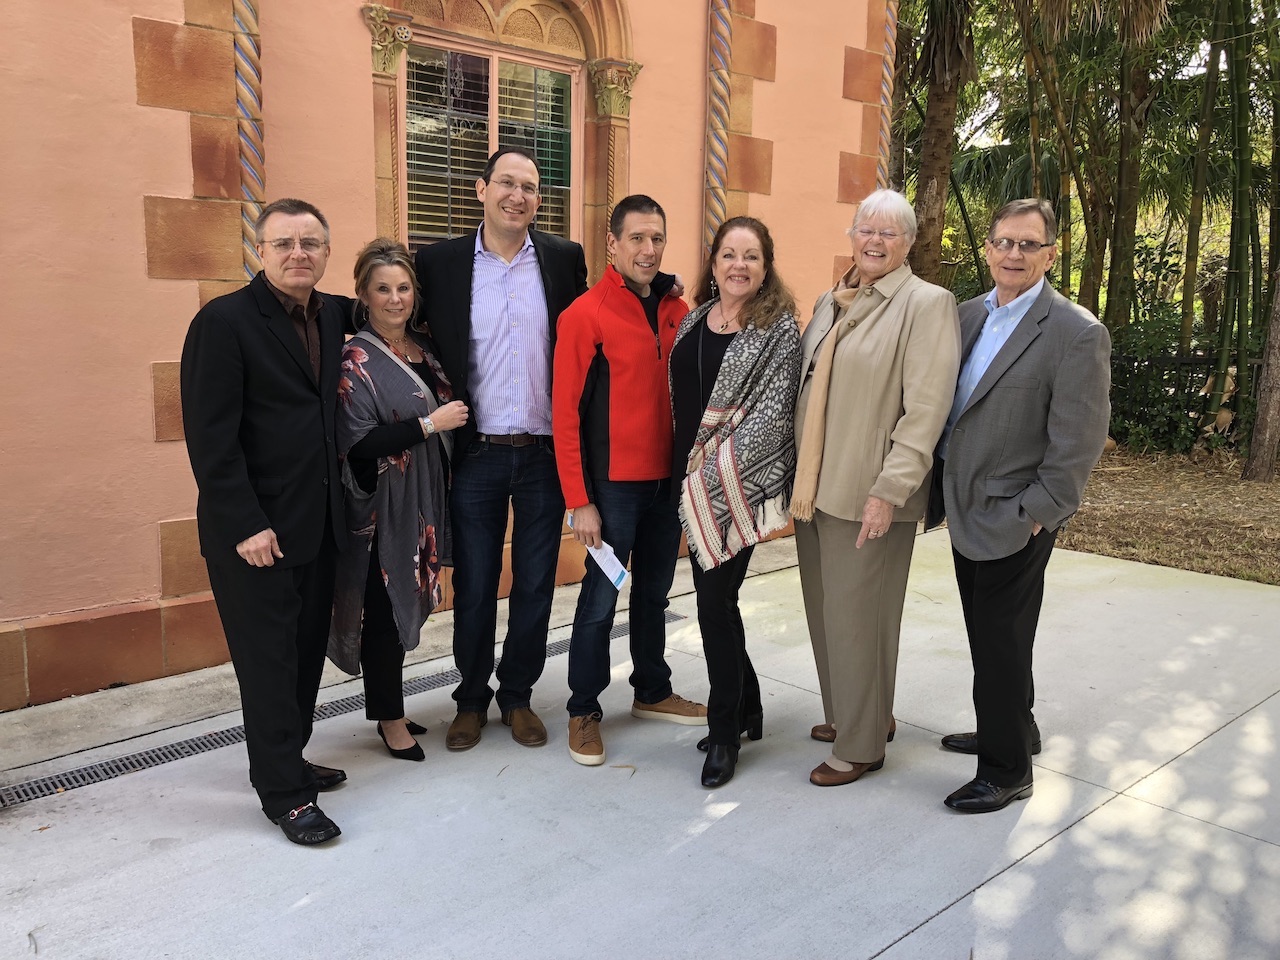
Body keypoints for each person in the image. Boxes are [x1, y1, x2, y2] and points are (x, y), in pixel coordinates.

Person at [926, 198, 1111, 813]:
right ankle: (1015, 729)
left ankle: (1007, 771)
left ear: (1051, 254)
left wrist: (1037, 511)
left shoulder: (1075, 332)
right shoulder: (967, 314)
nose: (1014, 254)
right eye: (1004, 242)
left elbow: (1077, 441)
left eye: (1029, 245)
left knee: (999, 639)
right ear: (988, 247)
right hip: (963, 503)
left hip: (1015, 513)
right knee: (993, 633)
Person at [180, 198, 349, 845]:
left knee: (305, 657)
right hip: (256, 536)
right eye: (284, 243)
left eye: (310, 242)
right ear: (261, 250)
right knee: (268, 663)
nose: (298, 253)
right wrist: (245, 523)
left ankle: (287, 756)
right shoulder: (223, 323)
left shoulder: (333, 315)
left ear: (326, 251)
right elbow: (210, 438)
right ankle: (285, 795)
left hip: (317, 525)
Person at [414, 147, 588, 751]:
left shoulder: (564, 260)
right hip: (477, 452)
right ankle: (470, 699)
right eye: (507, 184)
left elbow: (591, 331)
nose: (519, 196)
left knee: (537, 582)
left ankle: (518, 695)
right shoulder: (440, 262)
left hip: (542, 452)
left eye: (531, 187)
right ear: (481, 188)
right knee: (478, 582)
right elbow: (401, 327)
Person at [789, 190, 961, 787]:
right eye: (867, 229)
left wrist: (890, 490)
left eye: (890, 233)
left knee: (863, 617)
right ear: (852, 233)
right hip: (817, 488)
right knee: (829, 613)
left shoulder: (926, 304)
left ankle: (861, 745)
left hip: (870, 491)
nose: (875, 241)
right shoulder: (831, 301)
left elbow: (927, 408)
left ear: (909, 244)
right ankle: (852, 715)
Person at [552, 195, 706, 766]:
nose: (649, 249)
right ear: (611, 245)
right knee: (598, 599)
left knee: (655, 592)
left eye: (657, 238)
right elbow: (563, 415)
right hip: (612, 489)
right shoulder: (584, 315)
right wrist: (579, 501)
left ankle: (652, 689)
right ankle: (583, 710)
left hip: (669, 485)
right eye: (637, 238)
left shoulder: (678, 309)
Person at [672, 216, 802, 788]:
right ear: (714, 262)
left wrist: (712, 472)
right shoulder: (696, 319)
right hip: (688, 479)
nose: (739, 265)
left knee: (713, 606)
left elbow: (774, 418)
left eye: (751, 256)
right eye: (729, 254)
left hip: (735, 488)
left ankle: (725, 733)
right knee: (718, 606)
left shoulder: (778, 330)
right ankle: (746, 708)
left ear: (766, 265)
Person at [328, 239, 470, 761]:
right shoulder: (356, 357)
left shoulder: (422, 347)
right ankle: (389, 720)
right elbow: (357, 441)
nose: (395, 299)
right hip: (383, 507)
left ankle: (391, 704)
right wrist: (430, 424)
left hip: (424, 498)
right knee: (385, 610)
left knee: (401, 602)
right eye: (382, 289)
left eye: (403, 288)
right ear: (363, 295)